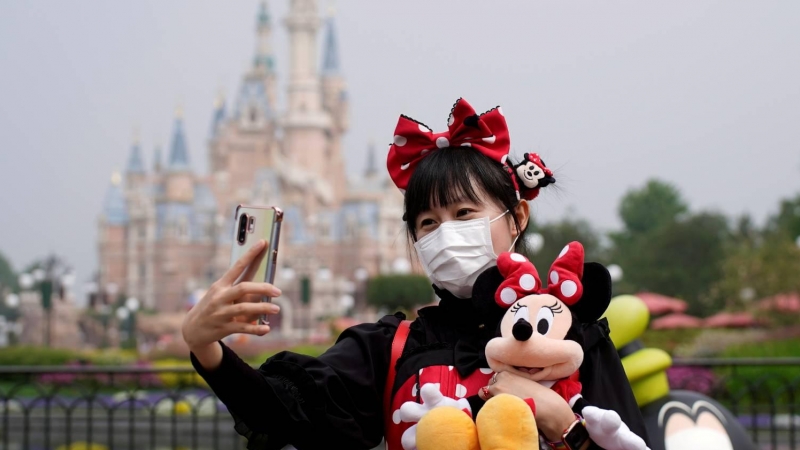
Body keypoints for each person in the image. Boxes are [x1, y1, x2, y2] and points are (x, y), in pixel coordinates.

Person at [183, 98, 648, 450]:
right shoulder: (392, 348)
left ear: (518, 216)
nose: (446, 234)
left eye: (465, 213)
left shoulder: (572, 338)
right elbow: (284, 411)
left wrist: (560, 420)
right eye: (428, 223)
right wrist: (205, 345)